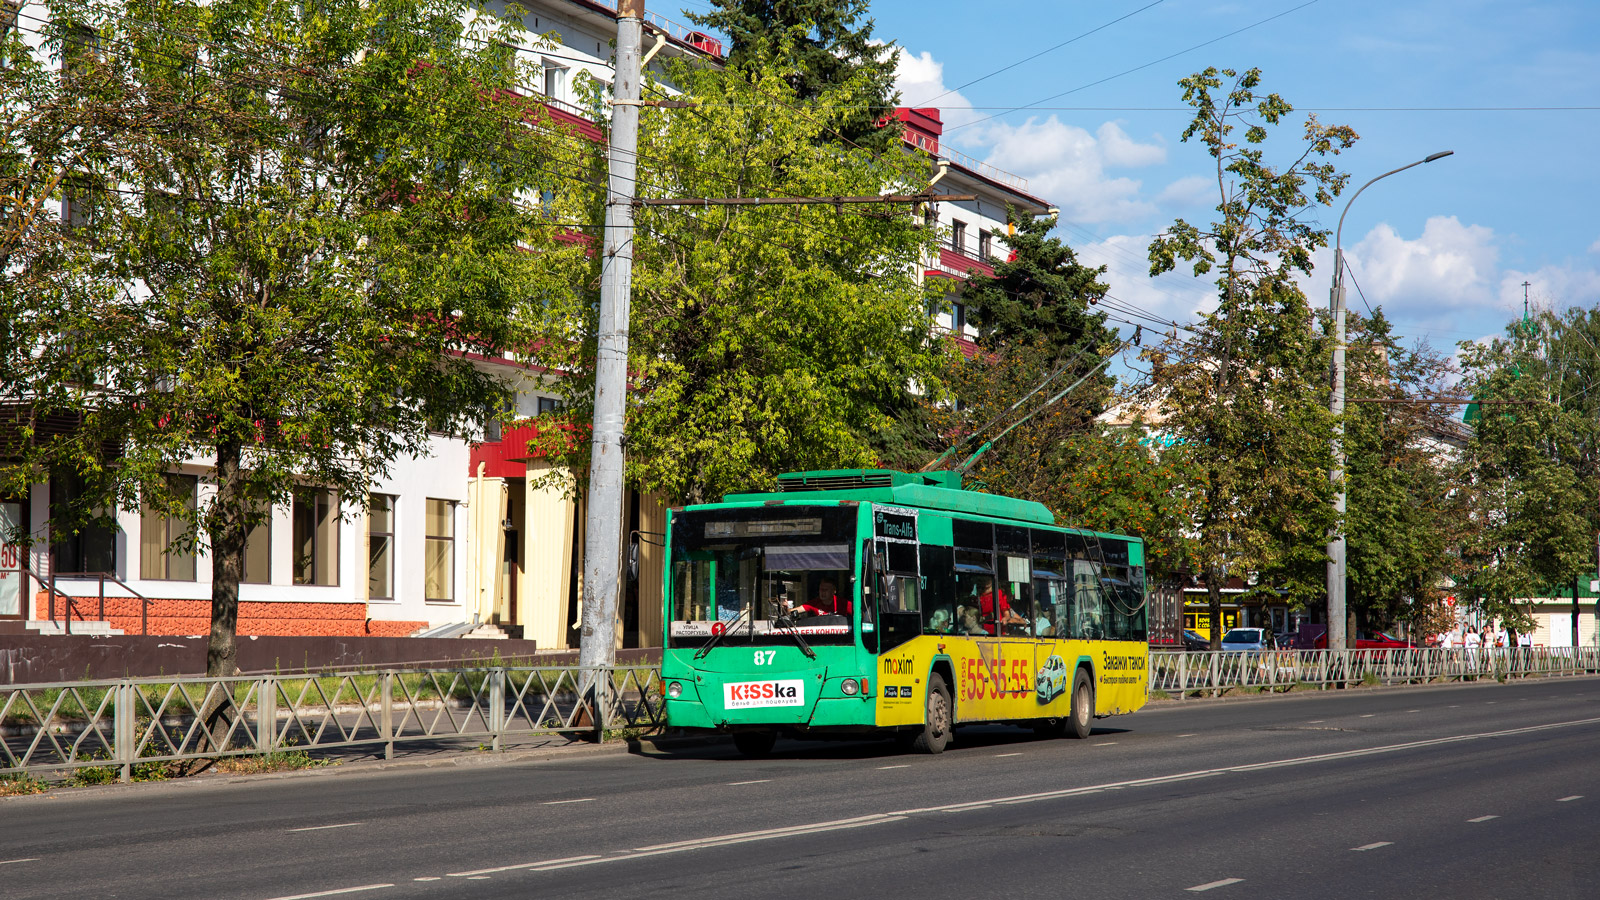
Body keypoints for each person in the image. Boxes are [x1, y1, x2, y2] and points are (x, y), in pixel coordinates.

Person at [786, 577, 850, 618]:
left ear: (834, 591)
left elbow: (856, 614)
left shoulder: (844, 603)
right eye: (821, 589)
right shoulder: (814, 603)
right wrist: (786, 607)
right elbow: (792, 612)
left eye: (825, 590)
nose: (822, 592)